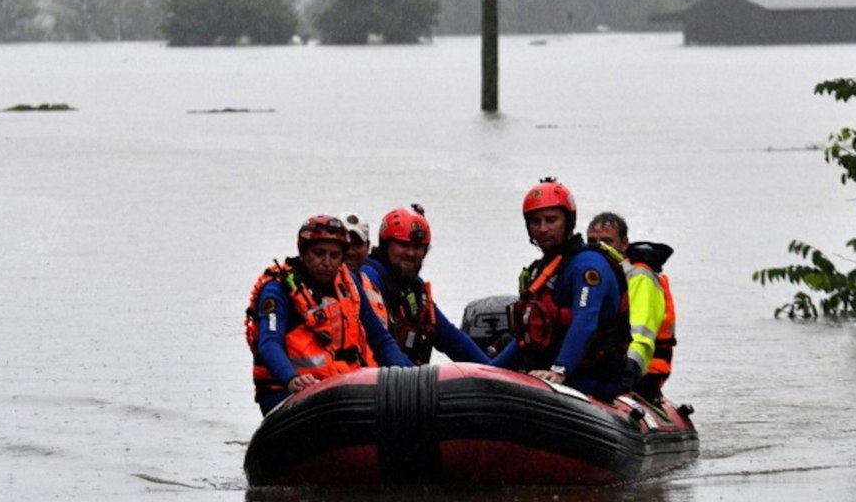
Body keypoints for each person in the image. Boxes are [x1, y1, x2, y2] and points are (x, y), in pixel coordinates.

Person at [245, 215, 413, 415]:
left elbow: (381, 340)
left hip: (344, 388)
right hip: (289, 392)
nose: (326, 262)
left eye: (334, 256)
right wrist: (290, 379)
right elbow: (269, 342)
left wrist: (411, 378)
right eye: (319, 253)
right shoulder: (278, 289)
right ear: (303, 252)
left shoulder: (349, 284)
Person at [490, 178, 635, 401]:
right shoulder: (540, 270)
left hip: (593, 380)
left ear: (568, 221)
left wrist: (560, 369)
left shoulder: (587, 265)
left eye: (551, 220)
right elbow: (527, 339)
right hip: (543, 376)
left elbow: (586, 318)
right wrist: (488, 371)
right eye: (535, 222)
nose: (543, 229)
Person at [361, 204, 490, 366]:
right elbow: (381, 344)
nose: (411, 253)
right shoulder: (370, 278)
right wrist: (416, 380)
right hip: (379, 381)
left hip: (408, 380)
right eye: (403, 245)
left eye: (417, 247)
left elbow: (451, 339)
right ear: (386, 245)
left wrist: (494, 370)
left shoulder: (414, 288)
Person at [586, 212, 676, 404]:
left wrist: (630, 372)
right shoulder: (595, 276)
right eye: (593, 242)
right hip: (606, 365)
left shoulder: (639, 276)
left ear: (624, 243)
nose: (600, 247)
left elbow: (642, 334)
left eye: (607, 241)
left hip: (641, 374)